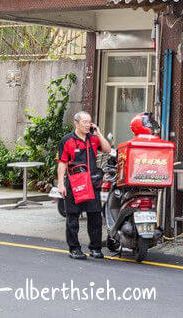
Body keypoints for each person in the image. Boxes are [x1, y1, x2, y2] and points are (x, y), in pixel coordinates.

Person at [57, 111, 111, 260]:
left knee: (95, 217)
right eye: (85, 122)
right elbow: (62, 163)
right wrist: (61, 184)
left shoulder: (93, 139)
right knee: (73, 217)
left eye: (89, 122)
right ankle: (74, 249)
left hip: (92, 183)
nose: (88, 125)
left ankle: (95, 248)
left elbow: (107, 149)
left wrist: (99, 133)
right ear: (76, 123)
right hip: (74, 184)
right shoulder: (67, 141)